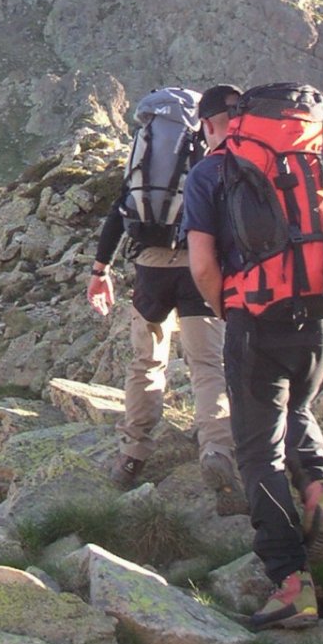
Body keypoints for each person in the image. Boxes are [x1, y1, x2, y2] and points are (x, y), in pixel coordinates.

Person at [182, 84, 323, 629]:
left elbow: (204, 267)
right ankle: (322, 489)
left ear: (212, 124)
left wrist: (227, 307)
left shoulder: (211, 172)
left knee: (257, 451)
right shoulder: (316, 157)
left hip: (258, 321)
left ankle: (291, 584)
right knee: (298, 407)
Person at [87, 85, 242, 505]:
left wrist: (100, 271)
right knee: (208, 363)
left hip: (150, 269)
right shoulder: (207, 155)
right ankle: (216, 449)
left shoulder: (147, 153)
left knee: (146, 362)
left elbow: (118, 214)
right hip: (198, 267)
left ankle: (132, 453)